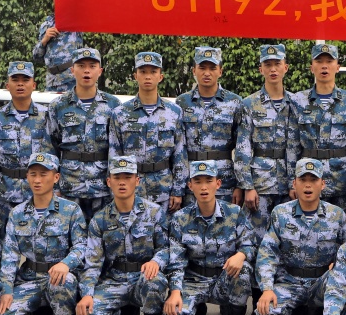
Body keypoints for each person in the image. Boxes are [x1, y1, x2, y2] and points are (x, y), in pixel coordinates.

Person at [0, 153, 86, 315]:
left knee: (63, 281)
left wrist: (66, 263)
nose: (37, 180)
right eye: (33, 174)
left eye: (43, 174)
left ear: (56, 177)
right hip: (30, 278)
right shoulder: (17, 213)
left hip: (60, 275)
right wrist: (7, 289)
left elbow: (82, 246)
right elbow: (10, 256)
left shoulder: (71, 210)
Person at [76, 156, 171, 315]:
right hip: (115, 280)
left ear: (137, 181)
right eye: (117, 177)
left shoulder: (154, 213)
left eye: (127, 177)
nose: (122, 182)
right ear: (108, 181)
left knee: (155, 282)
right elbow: (93, 262)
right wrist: (87, 294)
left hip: (144, 277)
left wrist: (156, 261)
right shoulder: (100, 219)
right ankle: (123, 314)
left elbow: (166, 248)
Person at [255, 160, 346, 315]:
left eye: (313, 179)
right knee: (266, 312)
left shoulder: (336, 214)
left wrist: (340, 264)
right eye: (302, 179)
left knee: (341, 278)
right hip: (291, 281)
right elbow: (267, 252)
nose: (308, 185)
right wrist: (267, 288)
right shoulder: (281, 214)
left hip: (322, 282)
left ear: (322, 184)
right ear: (294, 184)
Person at [163, 161, 253, 315]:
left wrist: (241, 255)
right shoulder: (181, 218)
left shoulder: (234, 213)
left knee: (243, 270)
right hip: (194, 280)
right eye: (197, 181)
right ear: (190, 186)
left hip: (224, 279)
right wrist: (175, 292)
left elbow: (249, 244)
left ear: (218, 184)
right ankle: (197, 312)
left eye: (208, 180)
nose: (204, 187)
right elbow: (177, 260)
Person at [236, 43, 293, 315]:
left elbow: (299, 145)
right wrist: (248, 184)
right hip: (260, 182)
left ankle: (289, 302)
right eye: (267, 64)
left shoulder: (296, 103)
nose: (272, 69)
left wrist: (295, 180)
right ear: (261, 69)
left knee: (290, 241)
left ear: (285, 67)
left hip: (288, 184)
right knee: (259, 242)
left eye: (277, 63)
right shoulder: (249, 105)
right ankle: (260, 301)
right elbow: (243, 146)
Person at [46, 47, 121, 224]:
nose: (86, 70)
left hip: (102, 186)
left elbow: (118, 148)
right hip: (70, 185)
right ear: (72, 70)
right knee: (69, 238)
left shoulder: (113, 105)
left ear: (100, 71)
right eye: (81, 65)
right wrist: (53, 186)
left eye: (92, 66)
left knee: (102, 238)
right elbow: (50, 147)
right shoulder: (59, 106)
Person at [287, 43, 346, 213]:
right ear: (311, 67)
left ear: (338, 67)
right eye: (319, 61)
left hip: (341, 178)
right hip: (309, 177)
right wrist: (291, 181)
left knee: (341, 226)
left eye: (329, 61)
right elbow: (292, 144)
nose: (324, 66)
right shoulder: (299, 101)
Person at [108, 51, 188, 213]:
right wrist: (115, 190)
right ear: (135, 76)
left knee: (162, 234)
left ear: (161, 76)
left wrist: (178, 190)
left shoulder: (174, 112)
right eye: (143, 72)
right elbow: (114, 154)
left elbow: (180, 154)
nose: (148, 76)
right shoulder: (120, 113)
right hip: (131, 188)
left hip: (163, 188)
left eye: (153, 72)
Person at [0, 61, 52, 238]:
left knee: (41, 245)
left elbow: (54, 153)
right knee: (4, 246)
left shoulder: (47, 117)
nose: (20, 84)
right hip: (7, 193)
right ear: (8, 85)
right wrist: (0, 182)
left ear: (34, 85)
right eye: (15, 79)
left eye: (25, 79)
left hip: (39, 193)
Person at [175, 47, 243, 206]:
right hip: (192, 182)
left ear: (220, 71)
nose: (207, 73)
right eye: (202, 68)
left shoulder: (234, 102)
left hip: (223, 181)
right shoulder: (182, 103)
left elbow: (241, 147)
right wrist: (178, 187)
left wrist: (240, 185)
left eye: (212, 68)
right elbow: (178, 148)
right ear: (193, 70)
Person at [32, 14, 84, 93]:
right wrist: (45, 39)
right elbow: (37, 57)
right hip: (51, 81)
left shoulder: (77, 20)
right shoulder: (46, 24)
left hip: (70, 79)